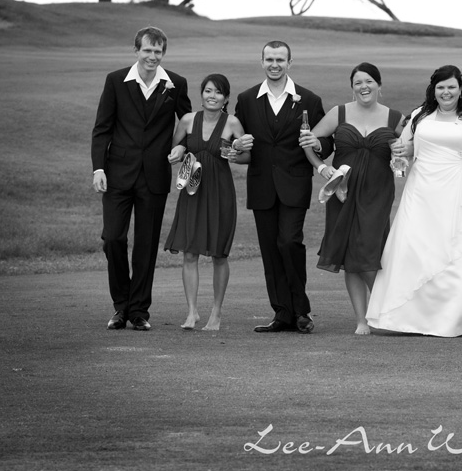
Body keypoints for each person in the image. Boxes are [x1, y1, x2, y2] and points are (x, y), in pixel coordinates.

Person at [365, 65, 462, 337]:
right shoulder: (420, 115)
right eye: (441, 87)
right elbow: (405, 149)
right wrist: (400, 151)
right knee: (415, 247)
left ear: (460, 89)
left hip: (461, 189)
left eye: (451, 87)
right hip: (421, 190)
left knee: (458, 250)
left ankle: (456, 319)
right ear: (433, 90)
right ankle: (410, 319)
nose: (446, 92)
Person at [91, 26, 191, 331]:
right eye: (147, 50)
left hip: (155, 176)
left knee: (146, 246)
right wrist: (98, 168)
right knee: (113, 238)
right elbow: (102, 128)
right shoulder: (116, 80)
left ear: (163, 53)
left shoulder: (176, 84)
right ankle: (120, 305)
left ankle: (138, 311)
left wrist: (181, 147)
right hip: (118, 174)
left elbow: (188, 125)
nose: (152, 56)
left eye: (158, 51)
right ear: (136, 51)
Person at [233, 40, 332, 334]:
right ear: (262, 62)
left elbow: (327, 141)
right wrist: (237, 144)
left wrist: (318, 143)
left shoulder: (309, 100)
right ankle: (282, 313)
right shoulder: (246, 99)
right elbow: (236, 139)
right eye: (269, 59)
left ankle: (301, 311)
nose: (274, 64)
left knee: (289, 242)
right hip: (261, 185)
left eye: (280, 60)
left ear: (290, 63)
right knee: (270, 250)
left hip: (295, 183)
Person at [298, 62, 405, 335]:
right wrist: (322, 168)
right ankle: (362, 320)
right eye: (358, 82)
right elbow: (309, 142)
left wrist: (401, 155)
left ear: (379, 85)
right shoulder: (339, 112)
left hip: (377, 194)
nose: (363, 87)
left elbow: (408, 153)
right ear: (352, 87)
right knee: (349, 254)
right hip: (342, 193)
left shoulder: (396, 118)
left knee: (368, 249)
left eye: (369, 81)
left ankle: (390, 311)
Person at [163, 74, 247, 331]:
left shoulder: (232, 123)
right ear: (201, 94)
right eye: (208, 91)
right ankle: (192, 312)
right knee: (190, 252)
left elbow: (248, 157)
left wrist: (235, 155)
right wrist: (178, 150)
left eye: (218, 92)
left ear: (226, 98)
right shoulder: (187, 120)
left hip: (220, 193)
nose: (212, 96)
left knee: (219, 254)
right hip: (192, 192)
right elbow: (175, 148)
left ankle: (216, 313)